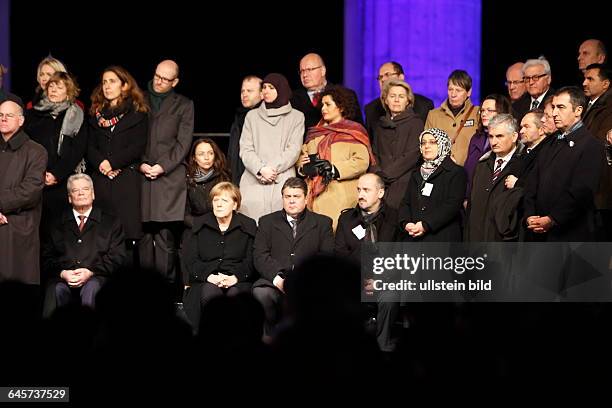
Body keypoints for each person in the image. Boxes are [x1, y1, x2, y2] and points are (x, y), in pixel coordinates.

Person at [252, 177, 334, 335]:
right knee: (262, 294)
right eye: (287, 197)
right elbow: (260, 255)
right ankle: (268, 341)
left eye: (296, 196)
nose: (291, 201)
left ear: (306, 198)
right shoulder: (266, 222)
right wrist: (278, 279)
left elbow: (325, 257)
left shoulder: (323, 223)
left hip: (308, 282)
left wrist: (302, 280)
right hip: (274, 281)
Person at [524, 87, 604, 241]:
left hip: (570, 236)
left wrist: (553, 219)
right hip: (538, 232)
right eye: (553, 107)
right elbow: (531, 184)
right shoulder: (549, 142)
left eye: (560, 107)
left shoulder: (590, 145)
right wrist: (530, 215)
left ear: (578, 110)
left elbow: (582, 191)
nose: (554, 113)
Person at [87, 66, 149, 264]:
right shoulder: (96, 114)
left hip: (126, 181)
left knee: (127, 238)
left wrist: (113, 163)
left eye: (112, 81)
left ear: (125, 85)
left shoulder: (137, 113)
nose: (107, 86)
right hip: (101, 179)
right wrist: (103, 165)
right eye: (104, 82)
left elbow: (138, 146)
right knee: (101, 236)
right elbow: (88, 146)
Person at [139, 60, 194, 285]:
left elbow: (183, 143)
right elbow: (131, 138)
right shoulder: (139, 99)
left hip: (169, 177)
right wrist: (142, 163)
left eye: (165, 79)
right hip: (141, 174)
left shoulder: (184, 104)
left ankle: (165, 289)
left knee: (164, 236)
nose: (159, 82)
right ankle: (142, 286)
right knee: (142, 235)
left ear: (175, 82)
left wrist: (162, 166)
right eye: (157, 76)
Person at [42, 174, 125, 312]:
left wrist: (90, 272)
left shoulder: (111, 223)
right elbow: (46, 258)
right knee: (56, 290)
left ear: (92, 194)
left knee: (92, 288)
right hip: (63, 279)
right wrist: (63, 273)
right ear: (69, 197)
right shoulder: (56, 224)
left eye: (85, 189)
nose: (81, 193)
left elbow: (117, 258)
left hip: (98, 278)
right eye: (75, 190)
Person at [335, 173, 399, 352]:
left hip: (386, 279)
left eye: (366, 190)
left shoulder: (395, 218)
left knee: (390, 296)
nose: (360, 194)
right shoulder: (346, 219)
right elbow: (340, 254)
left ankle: (382, 347)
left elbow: (399, 253)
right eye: (358, 190)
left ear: (380, 193)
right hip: (356, 279)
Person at [182, 182, 257, 331]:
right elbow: (190, 260)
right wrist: (209, 276)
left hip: (238, 280)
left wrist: (235, 277)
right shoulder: (199, 224)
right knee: (211, 294)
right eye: (216, 200)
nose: (219, 205)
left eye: (224, 200)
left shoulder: (248, 225)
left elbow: (251, 260)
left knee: (235, 295)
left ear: (235, 205)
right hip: (205, 280)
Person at [298, 86, 375, 229]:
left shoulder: (353, 131)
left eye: (328, 104)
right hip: (314, 200)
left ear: (341, 107)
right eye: (322, 105)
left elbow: (361, 161)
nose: (323, 108)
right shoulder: (315, 133)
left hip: (342, 197)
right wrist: (301, 165)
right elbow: (303, 157)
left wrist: (334, 168)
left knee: (338, 240)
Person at [24, 71, 87, 238]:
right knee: (38, 232)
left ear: (68, 91)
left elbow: (77, 150)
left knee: (61, 232)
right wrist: (39, 174)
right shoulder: (32, 114)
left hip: (63, 181)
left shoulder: (76, 115)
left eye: (59, 87)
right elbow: (26, 146)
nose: (53, 90)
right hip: (36, 179)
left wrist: (57, 174)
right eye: (51, 86)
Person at [239, 73, 304, 222]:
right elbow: (245, 149)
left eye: (271, 88)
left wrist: (271, 169)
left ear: (281, 90)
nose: (266, 91)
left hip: (281, 178)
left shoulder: (296, 117)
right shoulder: (252, 116)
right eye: (264, 87)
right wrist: (261, 169)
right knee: (251, 227)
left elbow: (293, 149)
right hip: (254, 179)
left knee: (281, 229)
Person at [0, 94, 47, 284]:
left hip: (18, 228)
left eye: (8, 115)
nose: (3, 119)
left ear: (21, 120)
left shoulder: (35, 151)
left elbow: (30, 191)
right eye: (0, 115)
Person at [399, 128, 466, 242]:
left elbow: (452, 206)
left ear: (442, 144)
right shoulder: (417, 172)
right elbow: (406, 202)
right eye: (423, 142)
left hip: (442, 239)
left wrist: (426, 225)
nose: (426, 146)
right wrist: (406, 223)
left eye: (432, 142)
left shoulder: (455, 172)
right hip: (415, 237)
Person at [465, 114, 524, 242]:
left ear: (514, 136)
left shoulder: (522, 165)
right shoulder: (481, 165)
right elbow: (471, 207)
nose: (494, 142)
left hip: (505, 244)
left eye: (499, 136)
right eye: (491, 136)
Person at [370, 79, 423, 209]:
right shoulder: (379, 125)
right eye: (392, 96)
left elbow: (412, 156)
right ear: (386, 100)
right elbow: (374, 154)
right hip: (380, 183)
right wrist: (377, 174)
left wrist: (386, 175)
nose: (396, 100)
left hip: (404, 182)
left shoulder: (416, 123)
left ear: (408, 101)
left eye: (401, 96)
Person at [290, 53, 363, 130]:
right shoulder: (292, 99)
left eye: (309, 70)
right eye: (302, 71)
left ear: (323, 71)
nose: (304, 75)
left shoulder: (346, 95)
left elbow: (359, 129)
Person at [425, 69, 480, 166]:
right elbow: (427, 146)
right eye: (450, 89)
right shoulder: (433, 115)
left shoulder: (478, 113)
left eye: (458, 90)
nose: (453, 94)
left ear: (469, 92)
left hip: (469, 173)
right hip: (441, 172)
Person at [582, 63, 612, 239]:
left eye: (590, 79)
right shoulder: (589, 104)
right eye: (584, 78)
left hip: (601, 191)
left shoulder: (609, 107)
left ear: (605, 84)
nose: (584, 83)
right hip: (590, 190)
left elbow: (600, 140)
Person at [463, 94, 513, 200]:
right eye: (482, 110)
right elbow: (468, 170)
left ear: (501, 112)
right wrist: (466, 197)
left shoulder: (509, 141)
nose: (484, 114)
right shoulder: (476, 138)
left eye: (490, 110)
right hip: (471, 198)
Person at [364, 61, 433, 137]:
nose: (383, 80)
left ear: (401, 77)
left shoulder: (424, 105)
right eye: (380, 77)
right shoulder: (371, 109)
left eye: (387, 75)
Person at [184, 138, 231, 227]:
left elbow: (229, 206)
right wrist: (198, 225)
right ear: (194, 158)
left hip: (219, 225)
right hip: (195, 227)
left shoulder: (223, 177)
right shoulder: (187, 180)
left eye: (210, 153)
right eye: (201, 154)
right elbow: (184, 212)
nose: (207, 158)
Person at [228, 75, 262, 185]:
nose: (244, 94)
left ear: (262, 94)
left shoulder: (265, 118)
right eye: (242, 91)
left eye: (250, 91)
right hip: (237, 176)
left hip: (256, 177)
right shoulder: (239, 116)